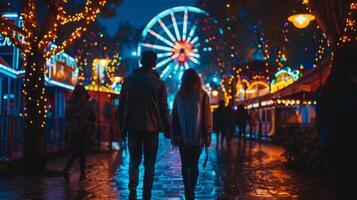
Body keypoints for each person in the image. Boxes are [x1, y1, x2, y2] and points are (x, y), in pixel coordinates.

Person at [118, 50, 171, 200]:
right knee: (150, 162)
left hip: (133, 127)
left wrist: (122, 127)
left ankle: (133, 187)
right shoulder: (159, 84)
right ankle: (147, 191)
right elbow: (163, 108)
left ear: (141, 62)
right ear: (154, 63)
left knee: (134, 160)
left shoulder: (128, 81)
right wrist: (167, 127)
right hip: (152, 128)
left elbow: (121, 107)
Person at [315, 41, 357, 199]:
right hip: (346, 150)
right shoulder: (348, 92)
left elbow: (321, 125)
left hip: (336, 151)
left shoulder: (327, 92)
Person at [171, 69, 212, 200]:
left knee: (185, 164)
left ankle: (187, 188)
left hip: (182, 136)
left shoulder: (179, 95)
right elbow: (207, 117)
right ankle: (191, 189)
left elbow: (175, 116)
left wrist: (175, 133)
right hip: (198, 136)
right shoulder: (203, 95)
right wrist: (208, 134)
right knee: (194, 163)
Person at [63, 85, 96, 182]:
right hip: (84, 130)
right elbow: (94, 117)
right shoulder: (87, 104)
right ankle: (82, 173)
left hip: (74, 130)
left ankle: (67, 168)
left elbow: (66, 118)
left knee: (74, 152)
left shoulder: (70, 103)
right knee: (82, 153)